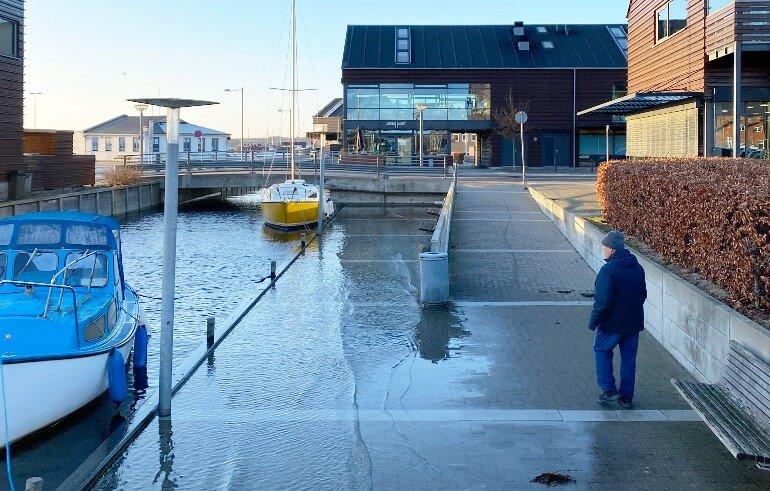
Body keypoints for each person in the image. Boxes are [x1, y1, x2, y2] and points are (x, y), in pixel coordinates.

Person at [589, 230, 647, 409]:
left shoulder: (609, 270)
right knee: (629, 359)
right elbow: (643, 294)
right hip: (633, 323)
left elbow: (602, 301)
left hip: (611, 324)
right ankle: (626, 397)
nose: (602, 250)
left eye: (604, 247)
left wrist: (594, 321)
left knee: (601, 350)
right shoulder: (637, 267)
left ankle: (608, 390)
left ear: (612, 249)